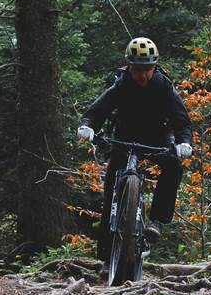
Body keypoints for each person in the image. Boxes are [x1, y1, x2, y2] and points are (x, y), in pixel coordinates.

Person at [77, 36, 193, 267]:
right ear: (129, 66)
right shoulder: (122, 84)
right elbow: (99, 108)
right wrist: (87, 125)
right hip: (124, 139)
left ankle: (157, 221)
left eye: (148, 69)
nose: (143, 75)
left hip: (157, 138)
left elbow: (181, 119)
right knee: (110, 190)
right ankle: (105, 259)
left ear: (154, 67)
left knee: (173, 166)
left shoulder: (163, 85)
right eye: (138, 69)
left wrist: (183, 142)